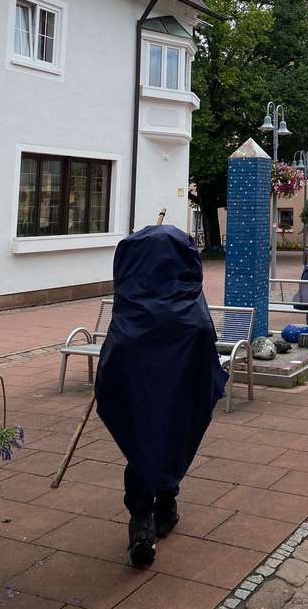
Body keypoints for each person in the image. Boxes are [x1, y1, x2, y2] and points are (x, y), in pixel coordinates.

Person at [95, 225, 227, 568]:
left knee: (142, 445)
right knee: (171, 439)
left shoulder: (131, 301)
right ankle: (162, 508)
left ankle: (144, 519)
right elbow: (205, 346)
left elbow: (116, 351)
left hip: (140, 396)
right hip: (177, 396)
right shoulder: (189, 303)